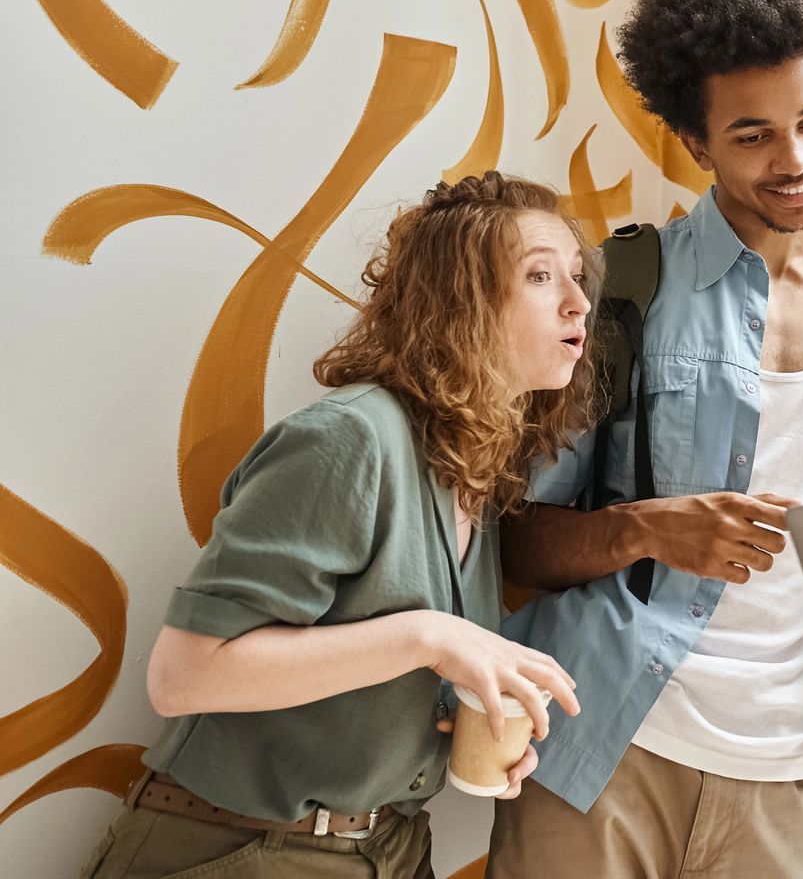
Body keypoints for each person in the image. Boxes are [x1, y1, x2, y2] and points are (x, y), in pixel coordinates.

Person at [488, 0, 803, 879]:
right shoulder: (620, 290)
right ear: (696, 142)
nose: (794, 160)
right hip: (611, 752)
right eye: (753, 135)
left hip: (802, 776)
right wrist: (647, 529)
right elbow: (512, 543)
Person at [79, 172, 590, 879]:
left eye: (576, 274)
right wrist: (430, 637)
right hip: (245, 851)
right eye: (540, 275)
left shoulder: (474, 465)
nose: (578, 301)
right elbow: (183, 676)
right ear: (461, 302)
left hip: (390, 849)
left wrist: (461, 725)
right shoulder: (349, 439)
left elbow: (372, 672)